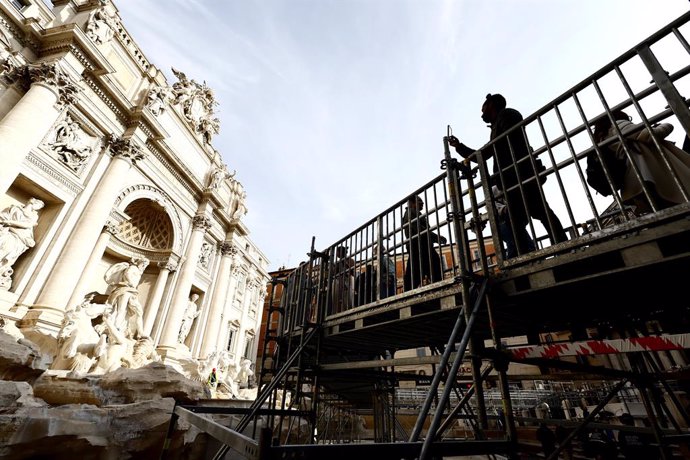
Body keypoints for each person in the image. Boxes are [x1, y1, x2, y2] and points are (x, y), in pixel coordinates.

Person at [449, 93, 567, 256]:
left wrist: (461, 148)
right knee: (524, 219)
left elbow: (487, 152)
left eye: (483, 108)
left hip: (520, 174)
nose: (481, 113)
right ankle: (534, 252)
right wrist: (459, 146)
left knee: (539, 213)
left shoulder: (507, 115)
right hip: (513, 177)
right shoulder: (500, 122)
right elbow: (486, 153)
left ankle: (559, 247)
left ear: (491, 104)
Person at [592, 109, 690, 215]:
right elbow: (651, 135)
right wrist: (665, 125)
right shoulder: (618, 125)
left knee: (669, 214)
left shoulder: (603, 138)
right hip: (648, 175)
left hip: (635, 181)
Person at [402, 196, 446, 291]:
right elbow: (419, 229)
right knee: (427, 269)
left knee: (417, 273)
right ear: (412, 203)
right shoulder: (411, 212)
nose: (422, 203)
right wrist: (437, 238)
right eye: (419, 201)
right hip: (419, 247)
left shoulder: (415, 213)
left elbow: (423, 230)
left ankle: (438, 288)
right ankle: (439, 288)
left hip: (420, 246)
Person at [0, 197, 44, 290]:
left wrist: (10, 222)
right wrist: (6, 223)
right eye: (38, 205)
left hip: (21, 237)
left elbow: (28, 225)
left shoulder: (34, 215)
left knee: (8, 249)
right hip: (7, 232)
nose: (38, 208)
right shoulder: (14, 208)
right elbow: (3, 217)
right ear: (33, 202)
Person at [103, 257, 149, 340]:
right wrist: (131, 283)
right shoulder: (133, 268)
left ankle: (140, 332)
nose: (144, 266)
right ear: (140, 262)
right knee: (121, 309)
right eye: (144, 264)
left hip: (132, 292)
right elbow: (127, 274)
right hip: (125, 289)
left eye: (146, 265)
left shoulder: (139, 272)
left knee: (139, 311)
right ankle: (116, 327)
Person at [331, 245, 355, 313]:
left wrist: (345, 263)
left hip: (348, 280)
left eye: (337, 252)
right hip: (338, 282)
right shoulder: (337, 262)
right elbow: (334, 274)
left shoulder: (350, 260)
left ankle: (349, 311)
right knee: (337, 299)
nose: (336, 254)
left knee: (348, 299)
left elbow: (352, 272)